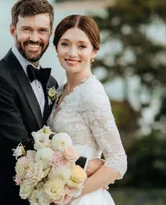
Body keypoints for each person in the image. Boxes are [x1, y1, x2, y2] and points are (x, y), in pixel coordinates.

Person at [0, 0, 103, 205]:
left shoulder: (51, 83)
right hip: (2, 198)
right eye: (27, 29)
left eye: (42, 30)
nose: (35, 38)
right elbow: (21, 146)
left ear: (50, 34)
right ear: (12, 30)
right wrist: (83, 165)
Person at [47, 14, 128, 205]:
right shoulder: (59, 90)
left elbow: (118, 161)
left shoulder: (92, 94)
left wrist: (70, 195)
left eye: (82, 46)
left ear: (94, 51)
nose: (72, 53)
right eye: (65, 44)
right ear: (56, 47)